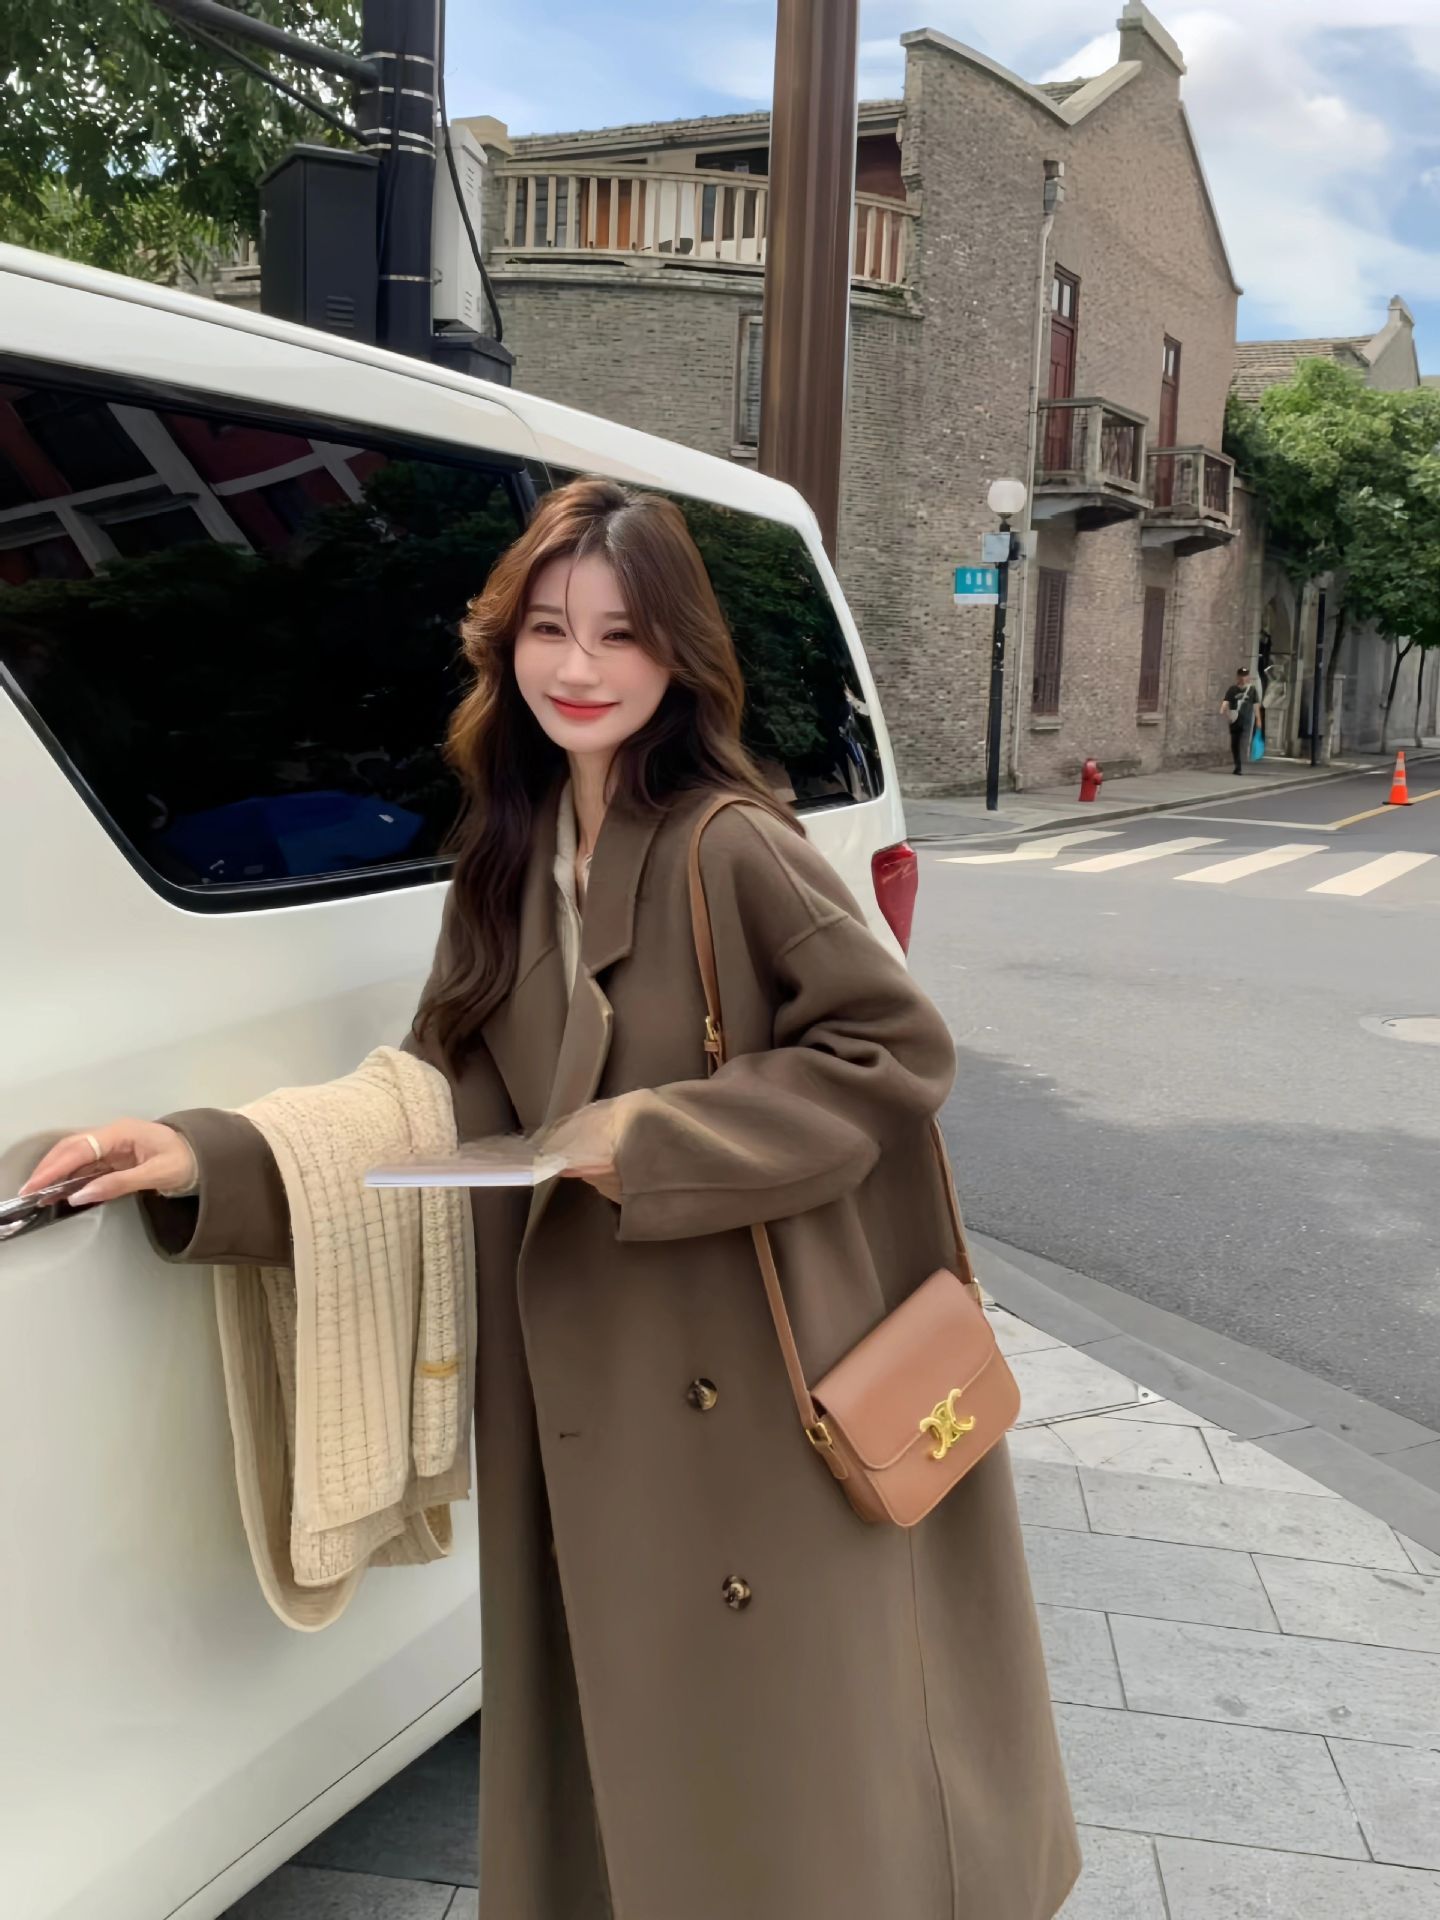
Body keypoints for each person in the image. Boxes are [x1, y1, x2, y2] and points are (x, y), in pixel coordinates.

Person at [22, 479, 1078, 1920]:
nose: (578, 668)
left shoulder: (730, 843)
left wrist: (655, 1136)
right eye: (548, 629)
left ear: (678, 657)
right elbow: (438, 1097)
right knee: (629, 1758)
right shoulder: (508, 855)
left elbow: (894, 1051)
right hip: (586, 1383)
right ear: (503, 641)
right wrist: (211, 1153)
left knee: (793, 1768)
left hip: (749, 1382)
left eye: (621, 635)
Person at [1221, 664, 1259, 773]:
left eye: (1245, 675)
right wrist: (1228, 716)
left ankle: (1240, 765)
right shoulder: (1232, 689)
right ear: (1238, 677)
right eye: (1242, 675)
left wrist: (1259, 720)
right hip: (1235, 720)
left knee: (1242, 743)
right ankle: (1238, 766)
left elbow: (1256, 706)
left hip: (1246, 720)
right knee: (1235, 744)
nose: (1243, 678)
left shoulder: (1252, 690)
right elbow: (1225, 705)